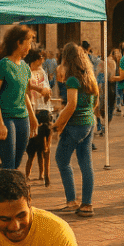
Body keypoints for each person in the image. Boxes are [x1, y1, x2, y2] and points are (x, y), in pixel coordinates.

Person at [52, 42, 98, 218]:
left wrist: (57, 125)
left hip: (75, 125)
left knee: (62, 160)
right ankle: (87, 203)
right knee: (86, 164)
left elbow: (71, 105)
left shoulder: (72, 79)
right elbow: (95, 102)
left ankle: (71, 201)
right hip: (89, 123)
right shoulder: (89, 76)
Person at [0, 25, 38, 171]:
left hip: (22, 119)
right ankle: (7, 192)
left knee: (16, 164)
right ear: (19, 42)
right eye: (28, 43)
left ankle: (5, 186)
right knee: (9, 164)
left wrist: (32, 116)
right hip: (5, 118)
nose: (30, 47)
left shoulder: (25, 67)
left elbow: (24, 95)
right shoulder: (2, 66)